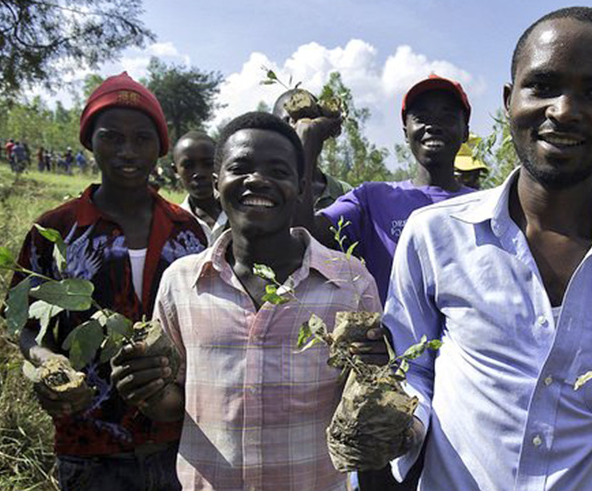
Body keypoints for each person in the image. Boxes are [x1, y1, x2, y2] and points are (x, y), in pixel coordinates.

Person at [384, 8, 592, 491]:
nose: (564, 110)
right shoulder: (433, 236)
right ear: (511, 100)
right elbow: (412, 371)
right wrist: (397, 426)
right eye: (544, 85)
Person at [110, 111, 387, 490]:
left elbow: (365, 400)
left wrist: (375, 370)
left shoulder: (350, 281)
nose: (258, 179)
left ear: (302, 186)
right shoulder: (181, 282)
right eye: (240, 167)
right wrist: (145, 389)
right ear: (216, 181)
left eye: (279, 171)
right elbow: (174, 402)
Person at [10, 72, 207, 491]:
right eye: (111, 137)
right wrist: (50, 364)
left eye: (142, 139)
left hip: (181, 442)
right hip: (90, 443)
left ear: (160, 148)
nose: (127, 152)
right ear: (90, 142)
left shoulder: (186, 231)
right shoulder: (56, 231)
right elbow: (23, 328)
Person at [298, 75, 475, 304]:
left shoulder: (486, 207)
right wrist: (307, 144)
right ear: (405, 131)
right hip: (389, 341)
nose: (433, 126)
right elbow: (302, 233)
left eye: (447, 117)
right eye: (421, 118)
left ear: (465, 132)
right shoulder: (371, 200)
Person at [272, 89, 354, 211]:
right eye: (287, 123)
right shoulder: (263, 188)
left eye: (308, 122)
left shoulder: (343, 194)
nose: (300, 130)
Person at [170, 130, 228, 244]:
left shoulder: (239, 216)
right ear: (176, 171)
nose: (199, 174)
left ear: (220, 165)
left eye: (208, 164)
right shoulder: (171, 223)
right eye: (188, 166)